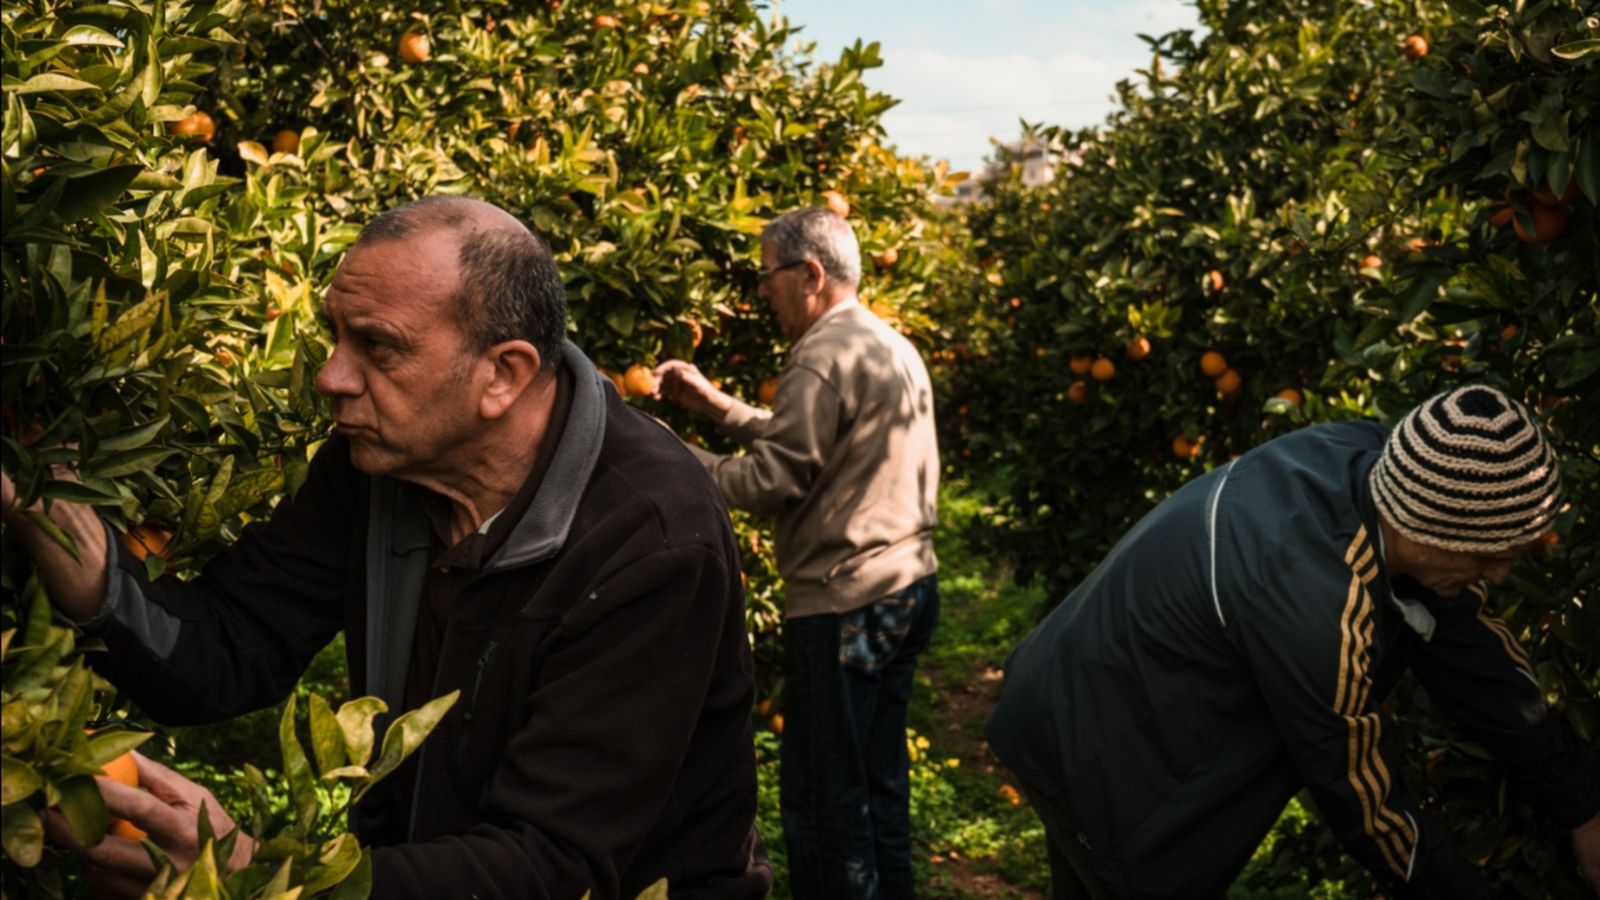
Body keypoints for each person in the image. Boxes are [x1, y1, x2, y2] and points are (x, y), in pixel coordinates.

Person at [1, 196, 772, 900]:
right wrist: (50, 515)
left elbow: (551, 862)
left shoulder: (651, 540)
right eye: (335, 337)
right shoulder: (379, 467)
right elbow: (231, 646)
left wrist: (266, 878)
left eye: (379, 346)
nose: (334, 376)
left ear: (502, 375)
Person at [984, 384, 1600, 899]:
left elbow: (1468, 644)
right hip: (1106, 746)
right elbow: (1366, 801)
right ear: (1434, 529)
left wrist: (1580, 802)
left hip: (1085, 684)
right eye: (1493, 556)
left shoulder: (1369, 462)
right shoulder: (1315, 598)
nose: (1498, 575)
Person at [653, 206, 940, 900]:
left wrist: (669, 459)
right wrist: (717, 405)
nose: (760, 292)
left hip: (845, 601)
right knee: (876, 790)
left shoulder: (819, 353)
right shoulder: (882, 343)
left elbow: (775, 479)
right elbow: (812, 440)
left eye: (766, 275)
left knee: (823, 802)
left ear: (809, 274)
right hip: (904, 589)